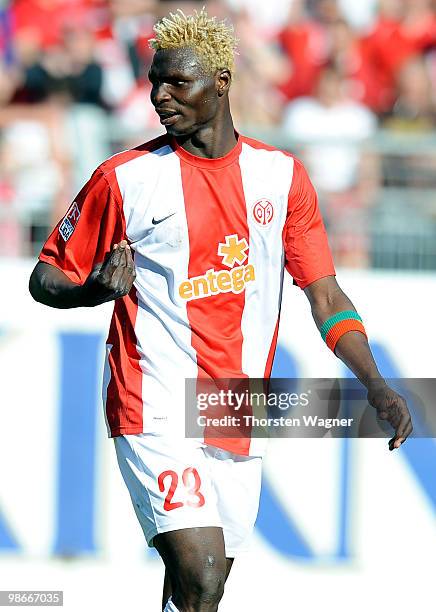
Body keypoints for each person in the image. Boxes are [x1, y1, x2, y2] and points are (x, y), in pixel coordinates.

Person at [29, 9, 413, 612]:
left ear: (223, 82)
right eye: (155, 81)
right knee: (203, 570)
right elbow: (47, 277)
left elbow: (327, 296)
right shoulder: (123, 178)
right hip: (151, 394)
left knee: (196, 594)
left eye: (177, 83)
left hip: (233, 403)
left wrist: (375, 383)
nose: (160, 96)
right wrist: (94, 290)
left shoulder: (281, 178)